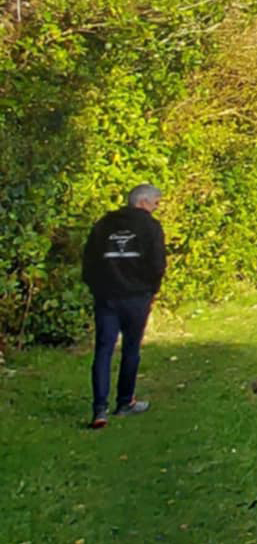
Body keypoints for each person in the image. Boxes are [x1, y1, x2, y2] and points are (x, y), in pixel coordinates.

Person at [81, 184, 173, 430]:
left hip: (106, 296)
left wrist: (97, 288)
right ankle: (125, 402)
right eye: (156, 203)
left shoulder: (103, 224)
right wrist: (151, 290)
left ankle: (99, 409)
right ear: (143, 202)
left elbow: (89, 261)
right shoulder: (150, 227)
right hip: (135, 296)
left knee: (103, 349)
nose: (156, 208)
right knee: (131, 349)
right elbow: (157, 264)